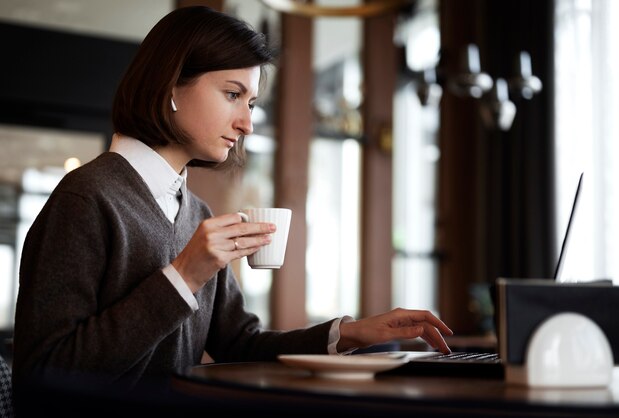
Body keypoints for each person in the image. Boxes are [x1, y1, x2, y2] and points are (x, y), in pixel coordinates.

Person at [12, 5, 452, 394]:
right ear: (171, 85)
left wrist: (351, 333)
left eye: (252, 103)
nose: (247, 124)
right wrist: (183, 276)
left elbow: (241, 345)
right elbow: (44, 375)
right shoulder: (86, 198)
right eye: (232, 94)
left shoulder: (194, 212)